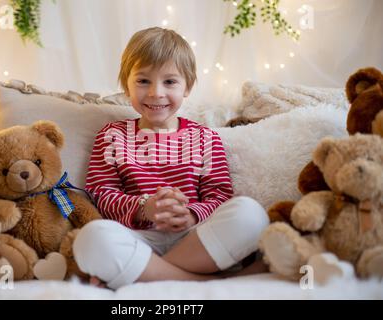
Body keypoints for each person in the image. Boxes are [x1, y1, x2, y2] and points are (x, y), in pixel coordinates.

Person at [73, 27, 269, 290]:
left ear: (187, 86)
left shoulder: (205, 137)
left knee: (251, 213)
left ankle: (147, 273)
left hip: (194, 237)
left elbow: (220, 196)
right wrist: (145, 207)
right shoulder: (112, 135)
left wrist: (190, 214)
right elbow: (102, 194)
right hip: (139, 238)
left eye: (170, 82)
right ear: (126, 85)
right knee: (90, 239)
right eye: (143, 81)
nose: (156, 93)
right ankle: (212, 281)